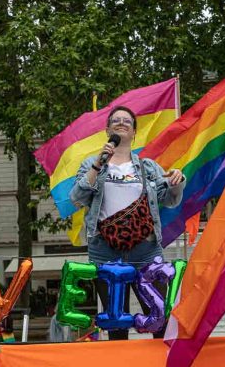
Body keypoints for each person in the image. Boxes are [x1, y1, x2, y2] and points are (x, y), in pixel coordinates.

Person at [70, 106, 186, 340]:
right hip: (105, 250)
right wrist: (98, 165)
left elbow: (170, 200)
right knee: (116, 323)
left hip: (146, 250)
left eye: (127, 121)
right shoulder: (92, 164)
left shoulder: (148, 167)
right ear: (107, 130)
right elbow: (77, 198)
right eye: (116, 121)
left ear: (134, 132)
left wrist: (177, 180)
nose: (121, 123)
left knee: (158, 319)